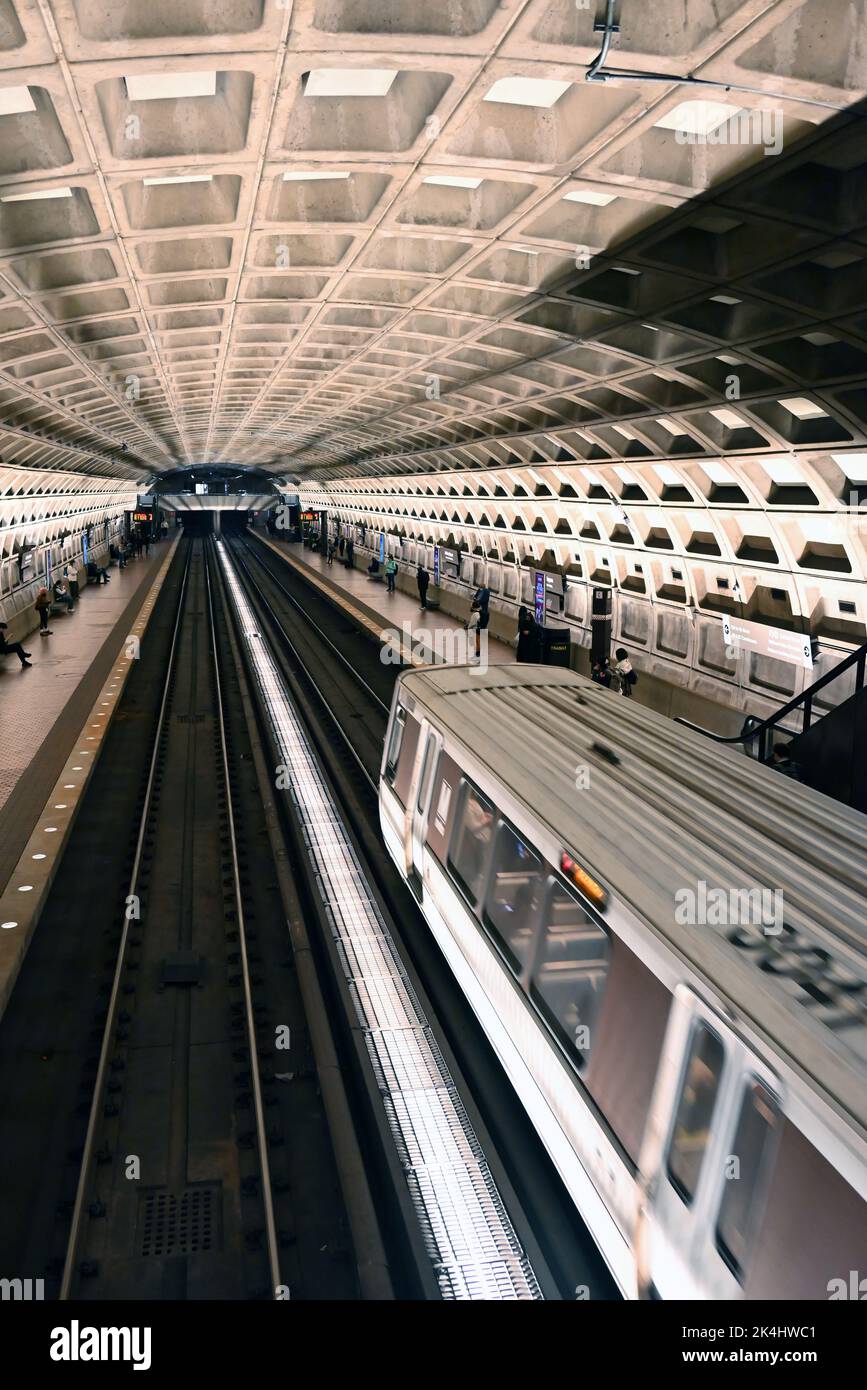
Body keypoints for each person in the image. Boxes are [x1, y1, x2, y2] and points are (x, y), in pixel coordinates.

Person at [471, 584, 490, 657]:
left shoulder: (481, 613)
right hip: (482, 623)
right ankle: (479, 651)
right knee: (480, 637)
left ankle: (478, 651)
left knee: (479, 637)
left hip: (481, 624)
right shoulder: (485, 613)